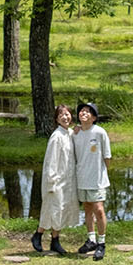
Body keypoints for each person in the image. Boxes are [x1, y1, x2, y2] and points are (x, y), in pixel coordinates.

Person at [32, 104, 79, 254]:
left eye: (67, 114)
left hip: (68, 180)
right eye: (61, 115)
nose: (65, 117)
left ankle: (55, 241)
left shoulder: (70, 133)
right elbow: (51, 161)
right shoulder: (56, 136)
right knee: (51, 209)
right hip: (56, 180)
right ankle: (38, 235)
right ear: (57, 119)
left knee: (61, 210)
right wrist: (51, 182)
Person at [73, 101, 111, 261]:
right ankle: (91, 240)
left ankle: (101, 243)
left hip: (97, 179)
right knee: (87, 209)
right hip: (81, 178)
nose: (84, 113)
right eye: (82, 111)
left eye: (88, 111)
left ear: (94, 117)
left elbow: (107, 157)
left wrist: (102, 173)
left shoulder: (100, 132)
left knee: (99, 209)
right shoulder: (75, 133)